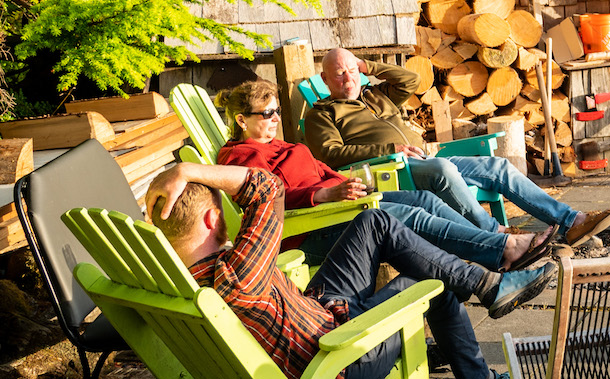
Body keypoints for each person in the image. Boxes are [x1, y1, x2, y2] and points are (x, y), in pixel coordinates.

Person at [144, 161, 536, 379]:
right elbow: (266, 188)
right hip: (341, 360)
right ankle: (480, 375)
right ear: (214, 219)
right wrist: (189, 171)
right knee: (430, 278)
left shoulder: (165, 279)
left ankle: (487, 285)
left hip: (315, 321)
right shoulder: (239, 274)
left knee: (373, 223)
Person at [213, 80, 551, 272]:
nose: (275, 119)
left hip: (346, 204)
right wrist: (324, 195)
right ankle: (501, 248)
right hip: (313, 226)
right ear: (242, 120)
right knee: (409, 215)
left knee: (425, 199)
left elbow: (321, 169)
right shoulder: (238, 159)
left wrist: (344, 183)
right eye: (267, 113)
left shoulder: (279, 144)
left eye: (277, 111)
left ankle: (492, 250)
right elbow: (268, 199)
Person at [303, 48, 610, 251]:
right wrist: (392, 148)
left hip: (421, 157)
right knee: (443, 169)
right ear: (325, 79)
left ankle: (572, 221)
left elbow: (411, 80)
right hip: (390, 168)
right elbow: (331, 154)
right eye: (340, 72)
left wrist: (366, 64)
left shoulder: (376, 95)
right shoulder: (322, 113)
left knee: (498, 167)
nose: (349, 78)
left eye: (352, 70)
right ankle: (496, 235)